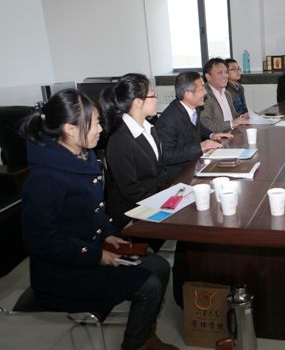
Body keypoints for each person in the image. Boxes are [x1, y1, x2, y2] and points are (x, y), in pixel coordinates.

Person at [19, 89, 178, 350]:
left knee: (159, 266)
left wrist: (109, 235)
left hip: (92, 247)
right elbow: (41, 241)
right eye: (94, 123)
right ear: (70, 129)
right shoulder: (44, 179)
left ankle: (146, 335)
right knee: (147, 285)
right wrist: (98, 255)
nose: (101, 130)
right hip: (63, 270)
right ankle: (135, 345)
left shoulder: (82, 156)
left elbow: (94, 212)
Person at [100, 73, 168, 233]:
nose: (156, 98)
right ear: (138, 102)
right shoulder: (119, 140)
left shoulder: (150, 129)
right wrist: (161, 205)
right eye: (153, 95)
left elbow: (158, 171)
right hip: (132, 212)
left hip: (153, 202)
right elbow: (130, 189)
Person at [156, 71, 232, 180]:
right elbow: (167, 155)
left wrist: (212, 135)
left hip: (195, 164)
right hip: (179, 175)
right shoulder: (169, 119)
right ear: (188, 94)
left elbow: (198, 127)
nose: (205, 92)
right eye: (201, 89)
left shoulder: (193, 108)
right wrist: (201, 147)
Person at [200, 57, 249, 132]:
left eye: (226, 72)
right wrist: (231, 124)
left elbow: (233, 116)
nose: (225, 76)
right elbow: (205, 124)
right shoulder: (204, 95)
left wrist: (242, 117)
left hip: (232, 134)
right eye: (220, 73)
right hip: (216, 137)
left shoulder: (226, 93)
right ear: (208, 76)